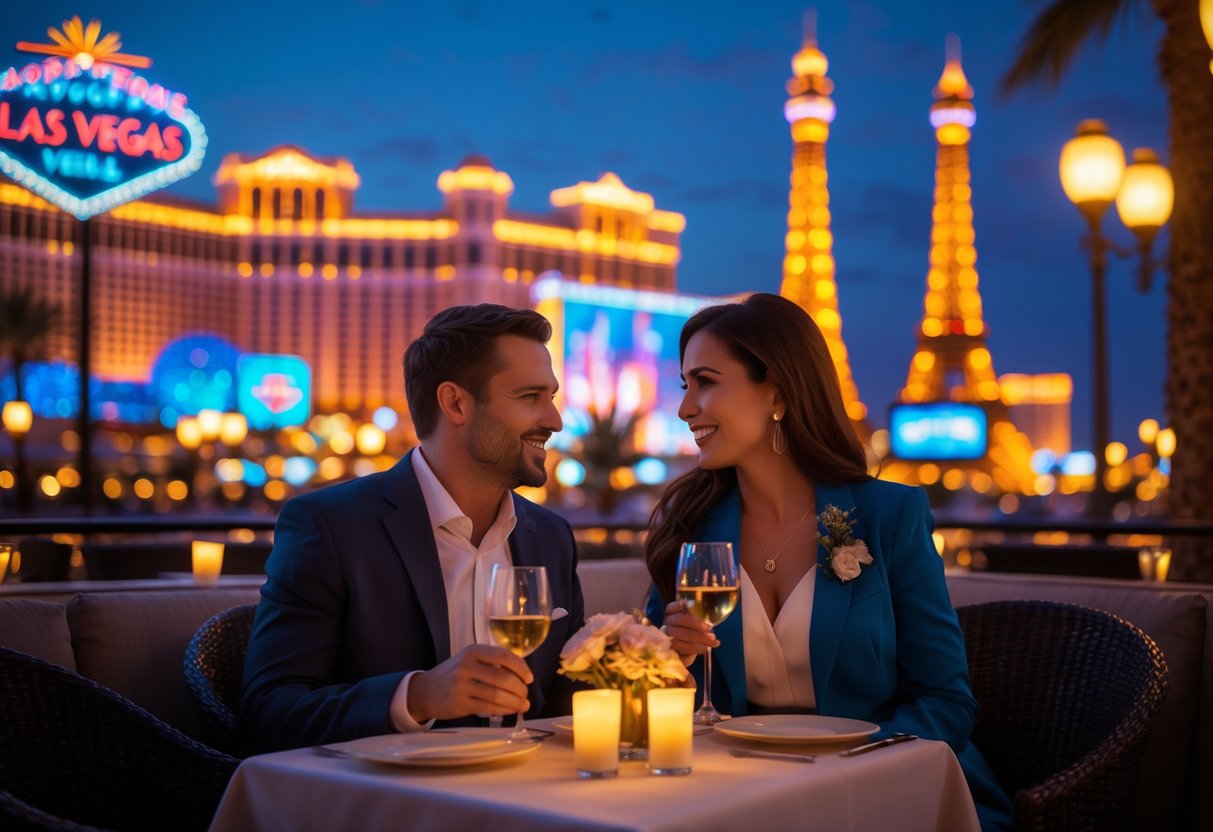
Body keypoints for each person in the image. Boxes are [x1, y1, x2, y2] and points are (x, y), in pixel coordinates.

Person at [644, 293, 1012, 830]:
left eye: (705, 382)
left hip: (882, 792)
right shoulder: (689, 529)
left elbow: (944, 699)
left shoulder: (890, 516)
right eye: (685, 386)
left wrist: (843, 770)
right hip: (737, 797)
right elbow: (652, 702)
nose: (684, 408)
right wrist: (669, 662)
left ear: (776, 391)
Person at [241, 304, 585, 754]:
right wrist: (417, 697)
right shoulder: (331, 527)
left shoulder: (552, 537)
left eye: (552, 397)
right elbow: (268, 717)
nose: (554, 420)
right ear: (456, 403)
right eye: (530, 397)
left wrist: (642, 669)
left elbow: (564, 709)